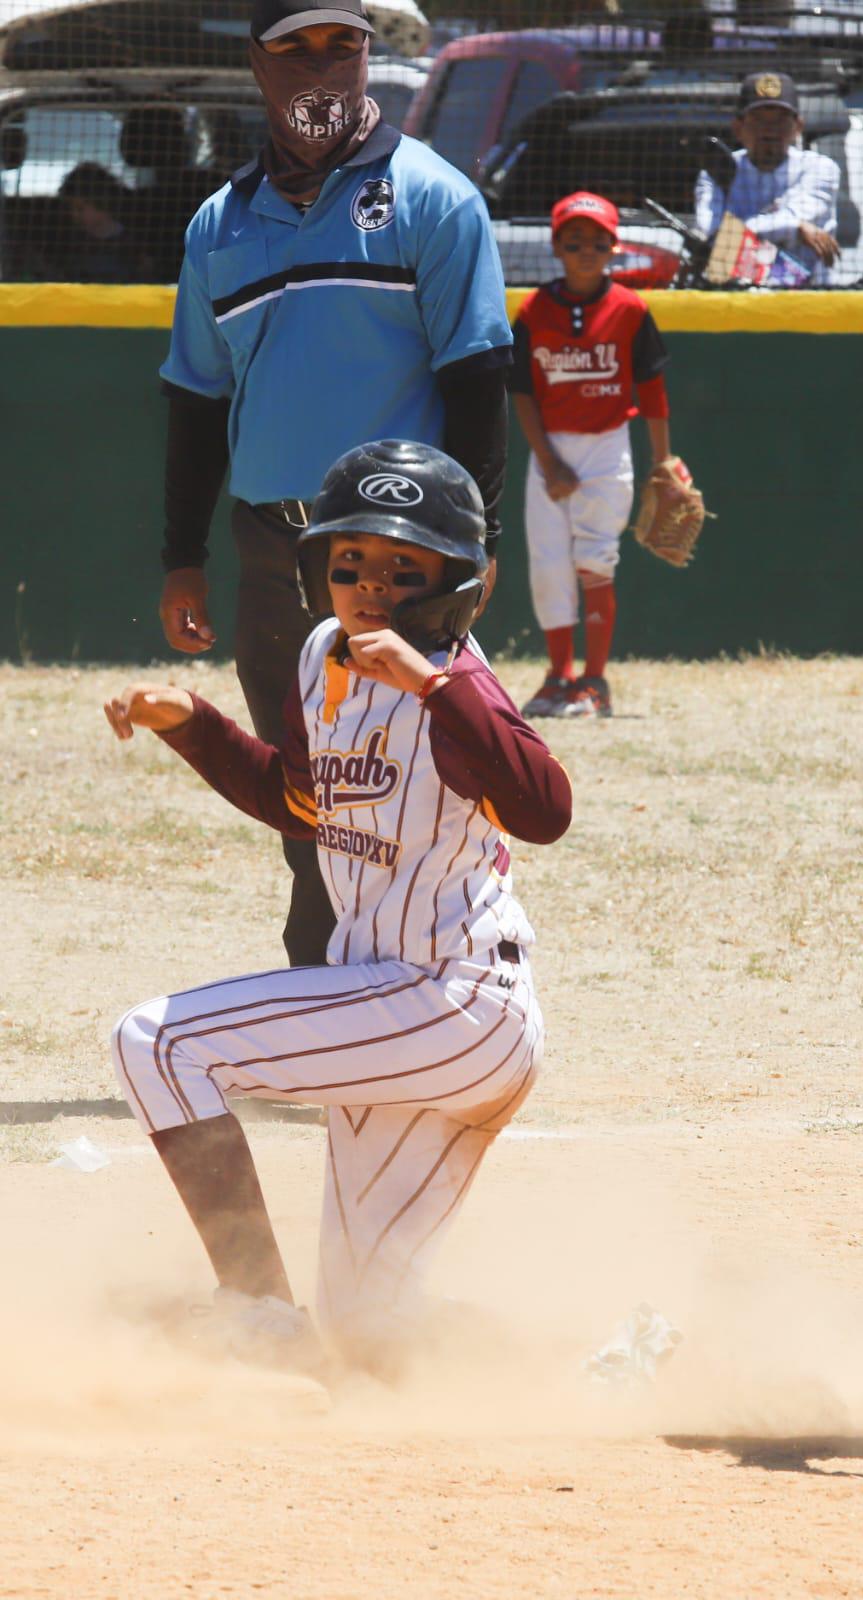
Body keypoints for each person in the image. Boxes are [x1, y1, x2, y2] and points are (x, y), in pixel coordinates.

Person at [106, 440, 571, 1381]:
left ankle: (258, 1312)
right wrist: (192, 725)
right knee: (371, 1330)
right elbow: (300, 803)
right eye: (350, 562)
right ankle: (563, 1376)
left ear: (458, 587)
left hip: (453, 1001)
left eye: (405, 569)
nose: (370, 585)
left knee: (158, 1043)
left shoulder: (458, 681)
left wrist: (438, 686)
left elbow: (546, 808)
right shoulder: (323, 658)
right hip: (394, 1012)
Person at [158, 0, 512, 968]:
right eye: (296, 50)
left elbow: (478, 379)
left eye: (341, 47)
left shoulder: (432, 200)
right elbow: (195, 400)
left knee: (402, 776)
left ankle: (403, 977)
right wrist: (180, 558)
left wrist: (475, 553)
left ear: (367, 56)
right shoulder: (218, 225)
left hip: (396, 562)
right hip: (271, 546)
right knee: (303, 782)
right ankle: (327, 981)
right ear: (257, 65)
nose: (321, 70)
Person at [509, 191, 673, 720]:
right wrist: (548, 460)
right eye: (574, 241)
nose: (586, 250)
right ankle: (559, 676)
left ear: (613, 248)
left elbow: (651, 389)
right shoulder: (534, 309)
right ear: (557, 246)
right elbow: (522, 391)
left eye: (597, 242)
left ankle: (595, 682)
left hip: (606, 448)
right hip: (550, 447)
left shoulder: (630, 309)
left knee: (595, 561)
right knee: (550, 566)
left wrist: (663, 464)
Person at [694, 71, 841, 284]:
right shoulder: (716, 170)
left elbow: (800, 214)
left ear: (798, 127)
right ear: (738, 128)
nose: (770, 130)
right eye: (758, 120)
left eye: (781, 121)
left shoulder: (819, 167)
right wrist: (795, 228)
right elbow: (711, 233)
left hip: (809, 300)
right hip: (734, 301)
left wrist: (736, 234)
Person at [57, 162, 153, 282]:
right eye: (71, 208)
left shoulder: (131, 240)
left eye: (80, 208)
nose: (74, 214)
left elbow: (145, 273)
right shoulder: (72, 241)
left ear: (101, 202)